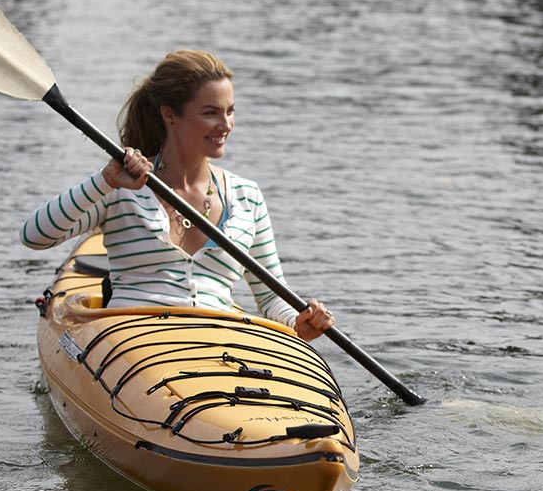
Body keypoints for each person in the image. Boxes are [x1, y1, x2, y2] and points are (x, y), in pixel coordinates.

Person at [21, 49, 335, 342]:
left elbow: (270, 298)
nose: (225, 125)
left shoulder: (246, 196)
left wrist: (297, 323)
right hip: (132, 345)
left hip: (219, 346)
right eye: (211, 112)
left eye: (230, 111)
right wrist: (104, 181)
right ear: (170, 115)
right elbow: (34, 236)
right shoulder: (122, 187)